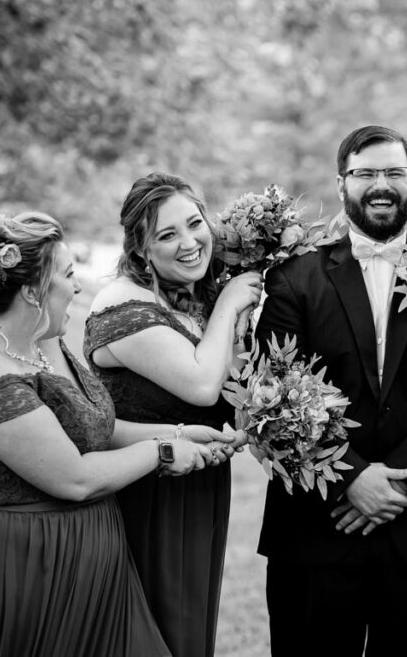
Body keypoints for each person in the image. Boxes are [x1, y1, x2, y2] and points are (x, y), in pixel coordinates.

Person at [254, 125, 407, 657]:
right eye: (365, 174)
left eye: (393, 173)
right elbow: (274, 393)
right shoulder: (294, 277)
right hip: (316, 532)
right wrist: (352, 478)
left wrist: (401, 485)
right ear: (342, 184)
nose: (380, 185)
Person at [0, 211, 214, 657]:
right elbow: (74, 477)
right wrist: (163, 452)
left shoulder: (43, 339)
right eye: (68, 275)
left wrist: (181, 432)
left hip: (95, 554)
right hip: (22, 564)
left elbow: (95, 427)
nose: (78, 287)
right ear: (32, 291)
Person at [84, 173, 262, 656]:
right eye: (167, 235)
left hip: (198, 486)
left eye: (194, 223)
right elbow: (203, 386)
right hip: (147, 492)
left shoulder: (185, 298)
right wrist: (229, 303)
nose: (189, 243)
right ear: (140, 249)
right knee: (154, 635)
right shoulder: (123, 305)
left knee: (188, 631)